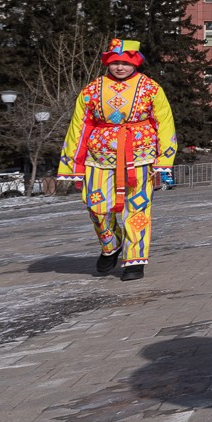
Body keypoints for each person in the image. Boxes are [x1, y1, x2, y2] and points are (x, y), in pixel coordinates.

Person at [57, 39, 177, 281]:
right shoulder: (91, 90)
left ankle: (135, 259)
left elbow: (164, 123)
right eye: (115, 62)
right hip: (98, 158)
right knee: (96, 207)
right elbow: (79, 126)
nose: (120, 67)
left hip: (140, 157)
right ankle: (110, 244)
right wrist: (72, 162)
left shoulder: (151, 88)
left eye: (125, 62)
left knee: (138, 207)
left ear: (136, 63)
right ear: (107, 63)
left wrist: (164, 160)